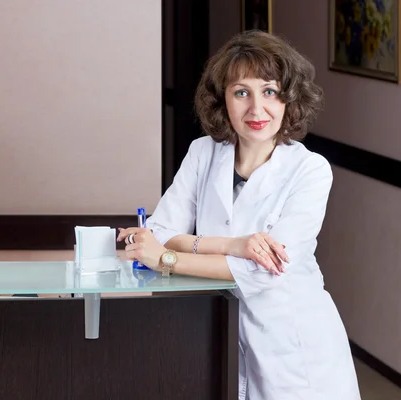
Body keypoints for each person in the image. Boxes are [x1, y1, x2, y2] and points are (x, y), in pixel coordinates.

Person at [117, 30, 361, 400]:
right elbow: (161, 228)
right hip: (219, 335)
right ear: (223, 101)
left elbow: (262, 270)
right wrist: (234, 245)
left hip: (295, 349)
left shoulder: (310, 170)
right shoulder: (203, 153)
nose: (257, 109)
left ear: (288, 98)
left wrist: (165, 258)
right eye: (241, 92)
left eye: (269, 91)